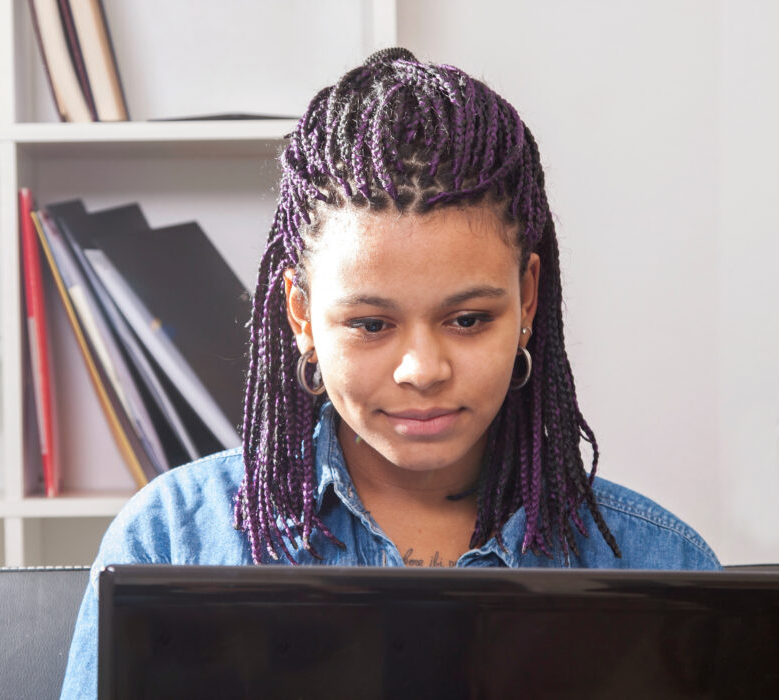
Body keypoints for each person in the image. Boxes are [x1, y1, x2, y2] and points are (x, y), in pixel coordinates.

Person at [59, 47, 720, 698]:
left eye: (467, 320)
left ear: (528, 302)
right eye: (371, 325)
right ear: (303, 317)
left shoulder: (658, 563)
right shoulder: (171, 539)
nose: (422, 370)